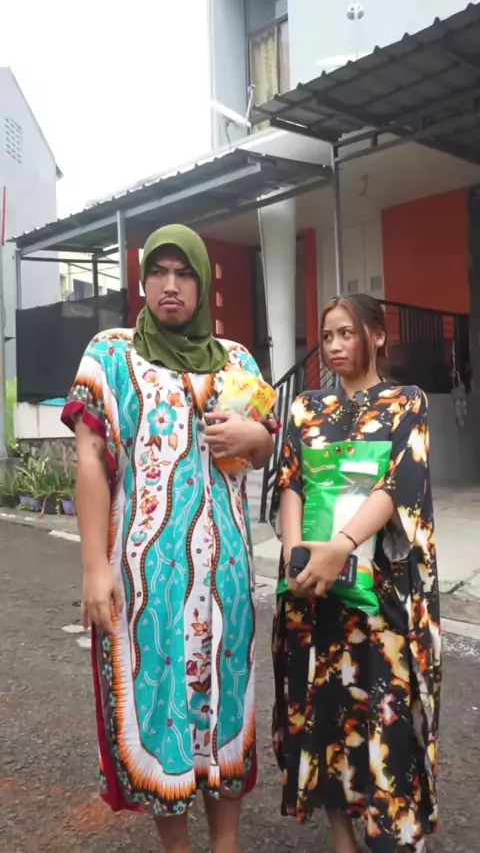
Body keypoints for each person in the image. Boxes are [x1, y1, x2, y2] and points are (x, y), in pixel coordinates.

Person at [62, 224, 276, 853]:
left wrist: (255, 439)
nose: (171, 285)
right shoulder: (111, 353)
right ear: (142, 280)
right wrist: (94, 568)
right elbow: (90, 456)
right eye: (159, 271)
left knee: (227, 702)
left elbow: (264, 445)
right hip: (147, 580)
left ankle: (227, 843)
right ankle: (178, 847)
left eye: (185, 273)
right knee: (162, 707)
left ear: (204, 283)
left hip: (228, 576)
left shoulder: (236, 360)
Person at [271, 293, 440, 853]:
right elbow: (290, 481)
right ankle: (341, 836)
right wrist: (297, 559)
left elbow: (401, 483)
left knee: (386, 714)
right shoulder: (306, 408)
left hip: (380, 593)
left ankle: (393, 835)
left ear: (378, 336)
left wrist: (340, 547)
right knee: (324, 715)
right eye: (327, 336)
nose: (335, 346)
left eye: (347, 333)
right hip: (315, 594)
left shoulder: (405, 402)